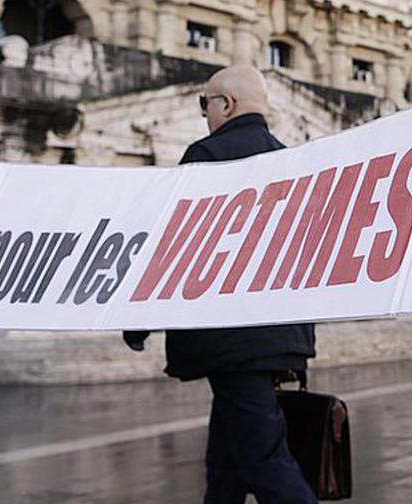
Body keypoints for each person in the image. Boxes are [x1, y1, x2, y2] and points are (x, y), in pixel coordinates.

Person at [124, 64, 317, 504]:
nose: (204, 114)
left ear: (225, 104)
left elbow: (176, 247)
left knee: (264, 461)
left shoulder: (207, 156)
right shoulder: (291, 161)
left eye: (204, 104)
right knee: (226, 468)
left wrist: (138, 320)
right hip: (281, 332)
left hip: (234, 338)